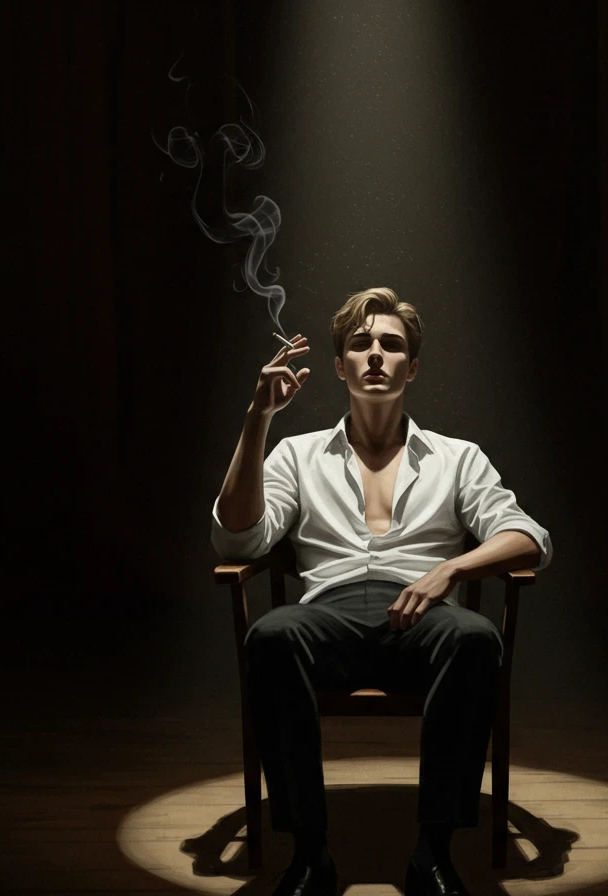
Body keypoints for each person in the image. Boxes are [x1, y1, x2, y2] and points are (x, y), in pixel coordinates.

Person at [211, 287, 552, 896]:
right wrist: (257, 417)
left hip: (423, 615)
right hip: (329, 617)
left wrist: (450, 571)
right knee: (269, 635)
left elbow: (528, 536)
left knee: (476, 638)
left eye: (391, 345)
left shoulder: (456, 458)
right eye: (359, 344)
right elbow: (237, 540)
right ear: (339, 365)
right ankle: (311, 854)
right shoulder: (297, 454)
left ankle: (433, 854)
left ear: (412, 367)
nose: (375, 355)